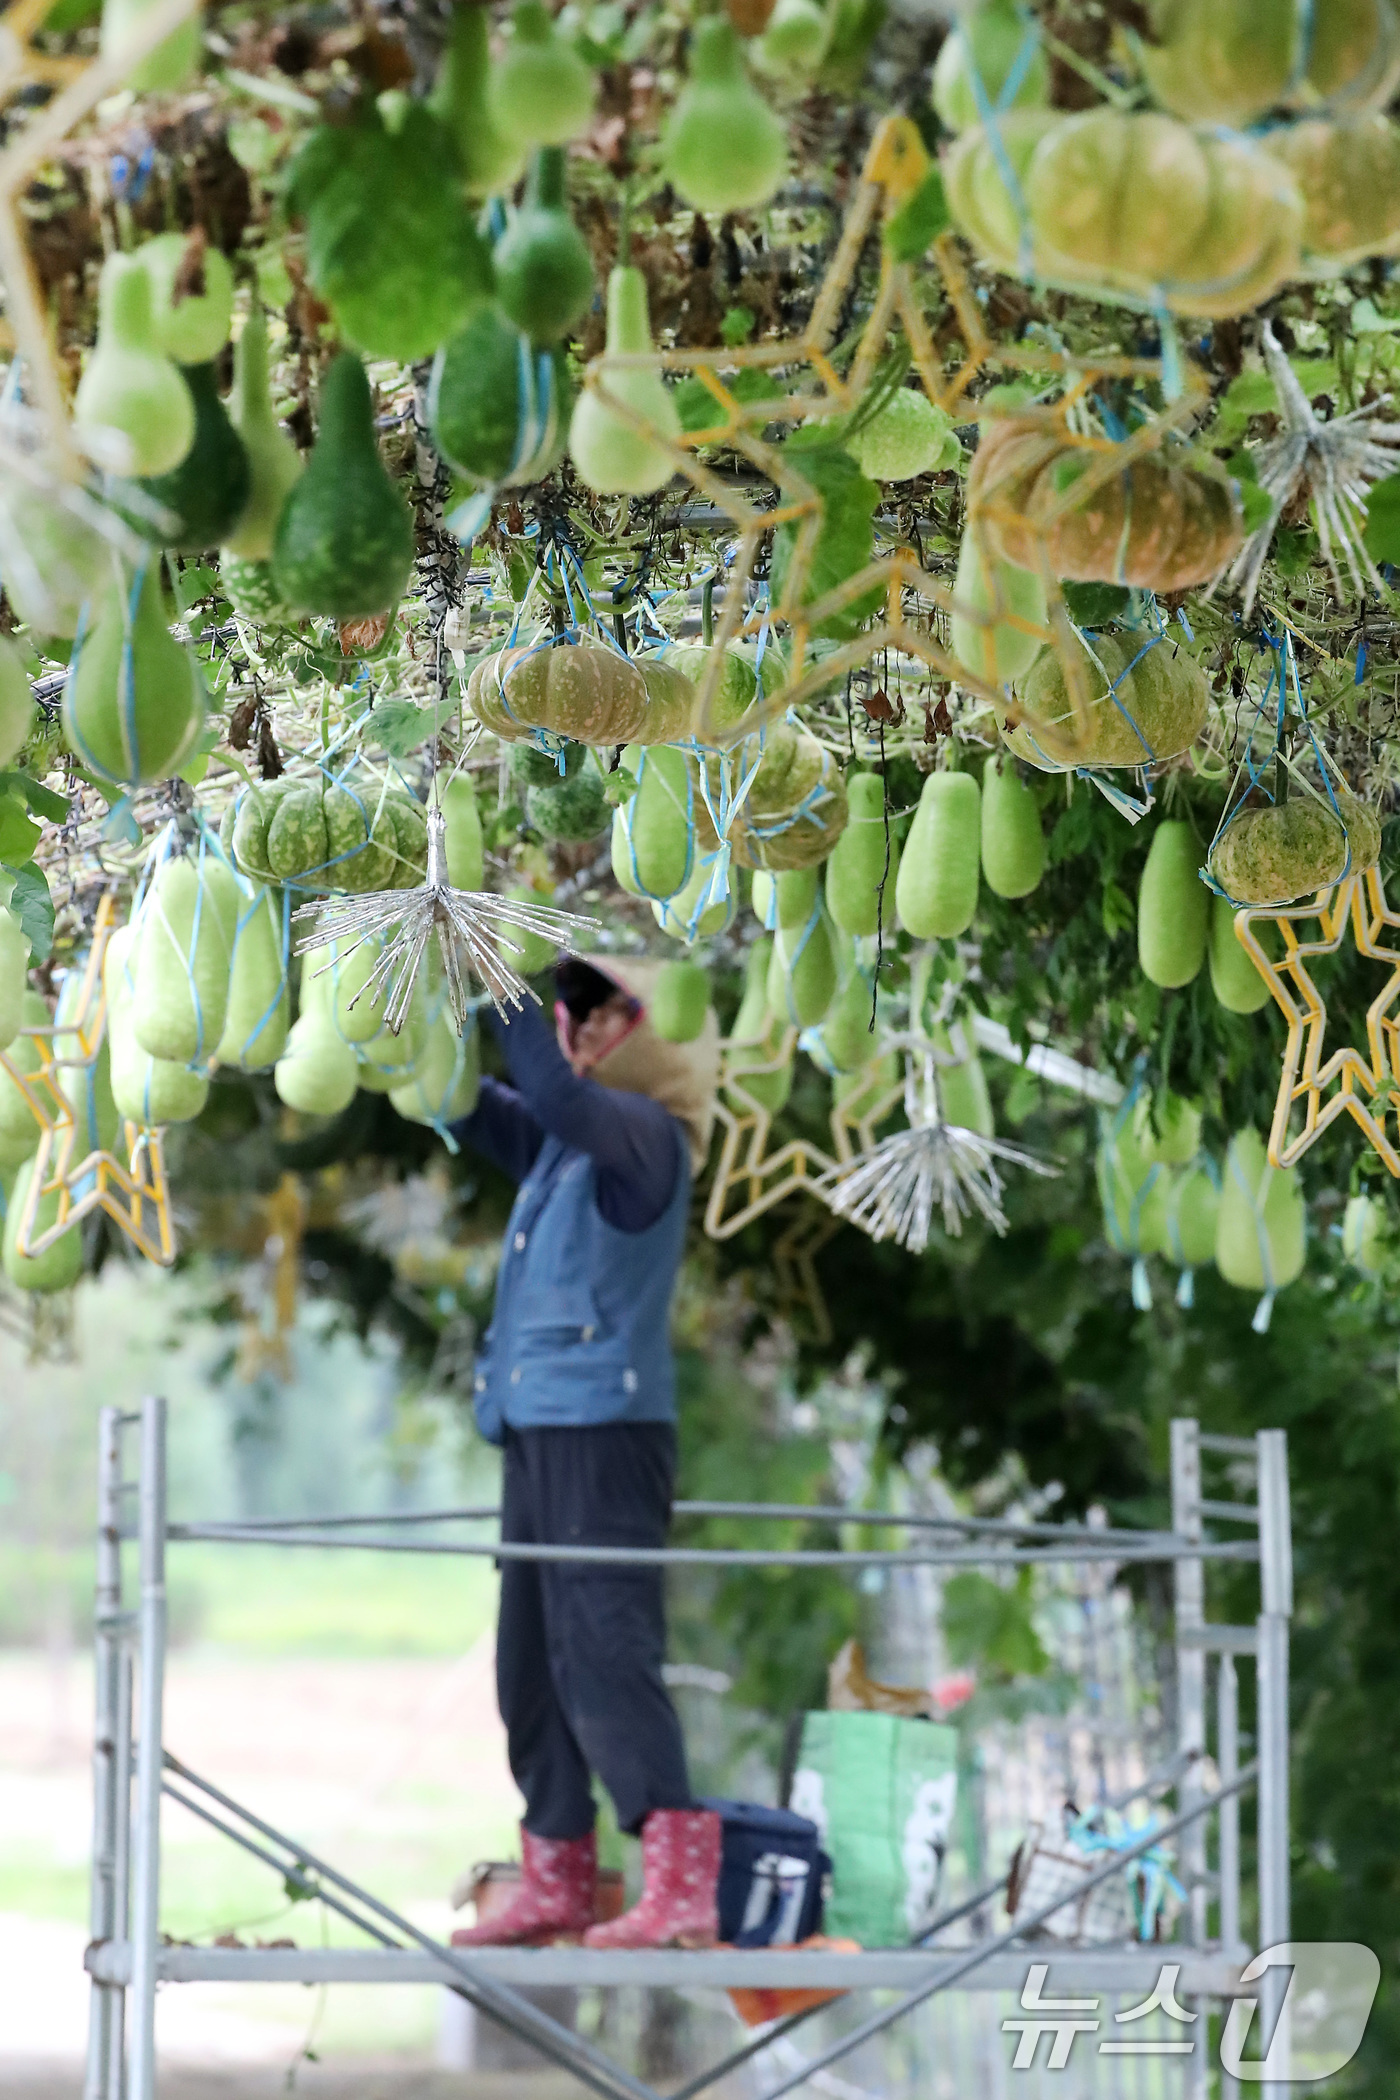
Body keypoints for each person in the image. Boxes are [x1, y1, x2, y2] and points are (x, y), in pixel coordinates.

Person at [447, 955, 722, 1950]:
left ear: (649, 1033)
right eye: (574, 1010)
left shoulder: (645, 1139)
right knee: (530, 1662)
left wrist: (502, 966)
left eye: (600, 1011)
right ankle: (557, 1870)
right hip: (540, 1428)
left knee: (603, 1652)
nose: (578, 1026)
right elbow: (479, 1107)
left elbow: (551, 1093)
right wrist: (428, 1014)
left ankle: (678, 1879)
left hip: (602, 1434)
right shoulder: (568, 1152)